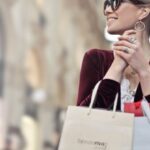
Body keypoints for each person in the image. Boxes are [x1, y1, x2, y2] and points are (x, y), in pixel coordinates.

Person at [77, 0, 150, 114]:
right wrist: (116, 67)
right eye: (106, 4)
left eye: (116, 2)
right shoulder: (97, 59)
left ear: (143, 12)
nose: (107, 11)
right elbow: (81, 119)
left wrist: (145, 73)